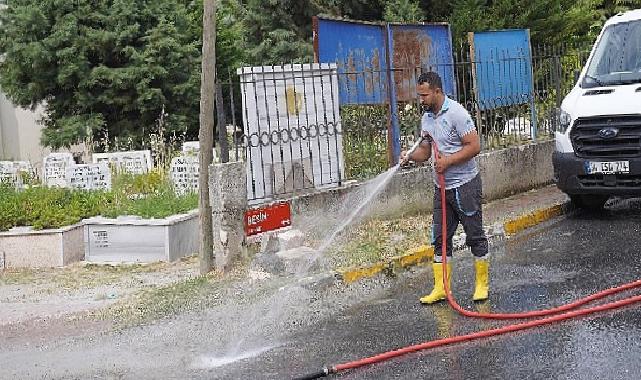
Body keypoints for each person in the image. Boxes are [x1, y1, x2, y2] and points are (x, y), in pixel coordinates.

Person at [400, 71, 489, 304]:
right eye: (419, 95)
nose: (421, 100)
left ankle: (481, 284)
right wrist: (409, 156)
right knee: (439, 238)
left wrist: (448, 161)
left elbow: (474, 145)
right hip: (440, 188)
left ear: (437, 92)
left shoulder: (457, 113)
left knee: (475, 235)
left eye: (424, 95)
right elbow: (426, 152)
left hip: (465, 185)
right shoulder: (427, 118)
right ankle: (441, 288)